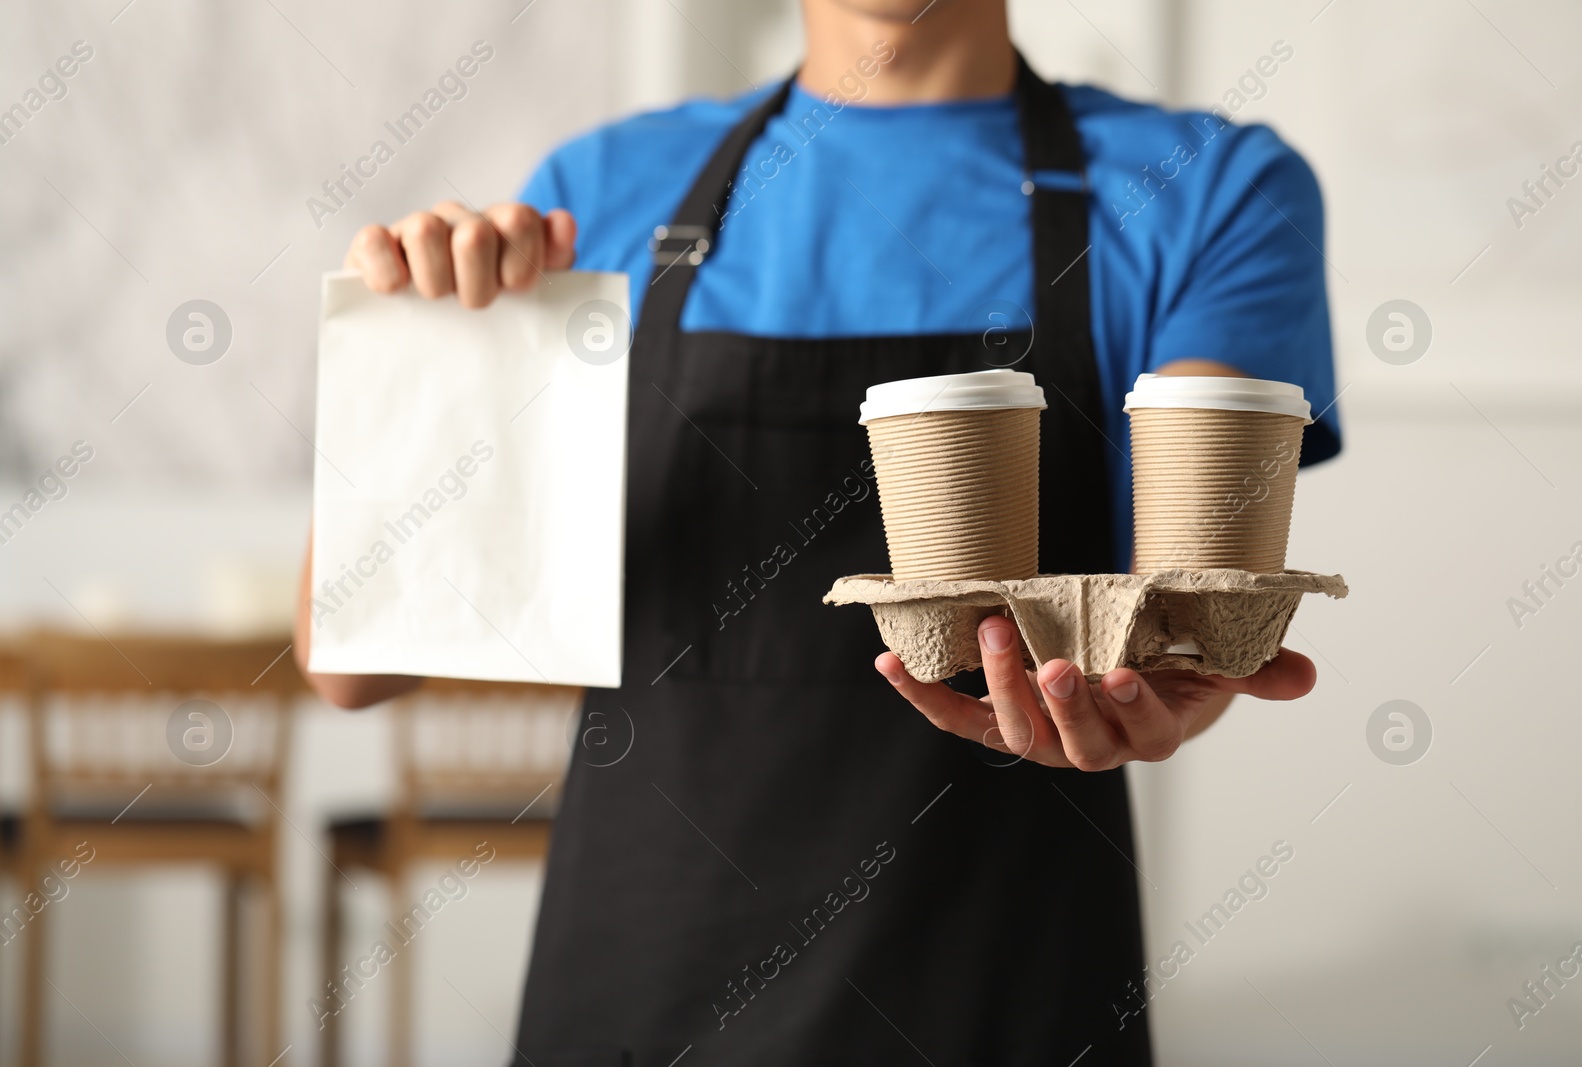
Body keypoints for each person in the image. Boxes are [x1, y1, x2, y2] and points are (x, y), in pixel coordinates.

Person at [293, 0, 1338, 1061]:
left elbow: (1195, 603)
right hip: (642, 991)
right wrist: (421, 346)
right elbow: (353, 665)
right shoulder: (599, 197)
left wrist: (1168, 689)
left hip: (1004, 990)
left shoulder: (1209, 189)